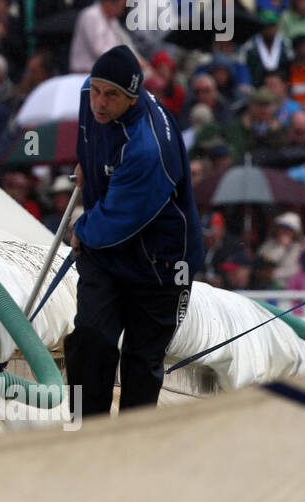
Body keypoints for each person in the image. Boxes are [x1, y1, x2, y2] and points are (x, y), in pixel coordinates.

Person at [68, 44, 204, 419]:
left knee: (141, 364)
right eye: (96, 89)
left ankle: (132, 448)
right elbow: (89, 138)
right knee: (90, 338)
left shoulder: (148, 148)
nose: (99, 101)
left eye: (111, 95)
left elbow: (120, 219)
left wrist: (82, 229)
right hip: (109, 255)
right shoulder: (89, 96)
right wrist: (86, 162)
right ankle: (84, 430)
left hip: (161, 263)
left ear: (134, 98)